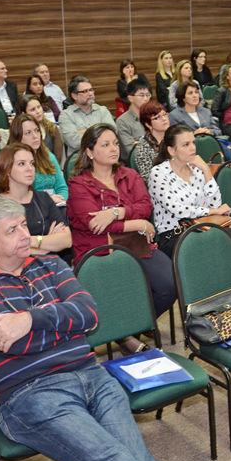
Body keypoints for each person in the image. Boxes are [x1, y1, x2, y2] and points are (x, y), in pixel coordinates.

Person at [0, 197, 178, 461]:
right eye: (12, 230)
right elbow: (17, 344)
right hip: (33, 394)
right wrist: (65, 323)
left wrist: (30, 319)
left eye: (24, 225)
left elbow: (89, 314)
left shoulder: (52, 265)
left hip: (94, 377)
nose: (25, 235)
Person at [67, 125, 175, 325]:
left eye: (115, 143)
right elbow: (96, 225)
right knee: (123, 290)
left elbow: (145, 207)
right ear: (89, 152)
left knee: (169, 286)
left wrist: (115, 213)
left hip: (136, 245)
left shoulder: (130, 175)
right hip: (99, 250)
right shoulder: (78, 185)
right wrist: (138, 224)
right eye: (105, 145)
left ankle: (135, 326)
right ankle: (125, 331)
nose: (113, 149)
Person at [148, 124, 231, 258]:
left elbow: (215, 205)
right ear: (172, 150)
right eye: (186, 144)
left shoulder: (197, 169)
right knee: (211, 247)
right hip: (174, 235)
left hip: (200, 228)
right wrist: (212, 211)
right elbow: (177, 209)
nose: (192, 148)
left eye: (193, 142)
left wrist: (206, 170)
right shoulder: (159, 173)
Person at [0, 143, 72, 264]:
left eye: (32, 163)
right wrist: (48, 242)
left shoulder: (44, 198)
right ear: (7, 169)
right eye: (21, 164)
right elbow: (6, 251)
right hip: (15, 269)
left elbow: (67, 240)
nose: (29, 168)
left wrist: (33, 241)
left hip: (51, 266)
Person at [9, 113, 67, 202]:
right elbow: (18, 197)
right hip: (32, 207)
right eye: (28, 133)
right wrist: (48, 201)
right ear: (18, 137)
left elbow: (62, 188)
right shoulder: (13, 161)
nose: (35, 136)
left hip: (57, 204)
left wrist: (61, 200)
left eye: (37, 130)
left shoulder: (49, 156)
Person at [58, 76, 115, 156]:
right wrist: (100, 134)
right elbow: (74, 141)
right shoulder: (66, 115)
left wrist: (84, 132)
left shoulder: (103, 111)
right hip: (80, 159)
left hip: (105, 156)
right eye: (85, 91)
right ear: (74, 96)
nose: (91, 93)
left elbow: (112, 132)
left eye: (91, 90)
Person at [18, 93, 64, 164]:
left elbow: (58, 158)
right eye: (33, 109)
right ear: (24, 114)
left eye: (39, 107)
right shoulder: (18, 130)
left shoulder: (52, 128)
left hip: (49, 167)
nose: (38, 112)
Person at [115, 80, 151, 162]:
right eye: (142, 95)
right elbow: (131, 151)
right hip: (135, 163)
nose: (146, 99)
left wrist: (138, 143)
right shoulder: (122, 121)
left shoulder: (152, 116)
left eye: (147, 95)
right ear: (130, 98)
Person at [134, 101, 169, 182]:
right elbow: (149, 179)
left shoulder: (174, 138)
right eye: (157, 117)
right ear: (148, 124)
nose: (164, 119)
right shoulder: (143, 148)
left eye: (164, 114)